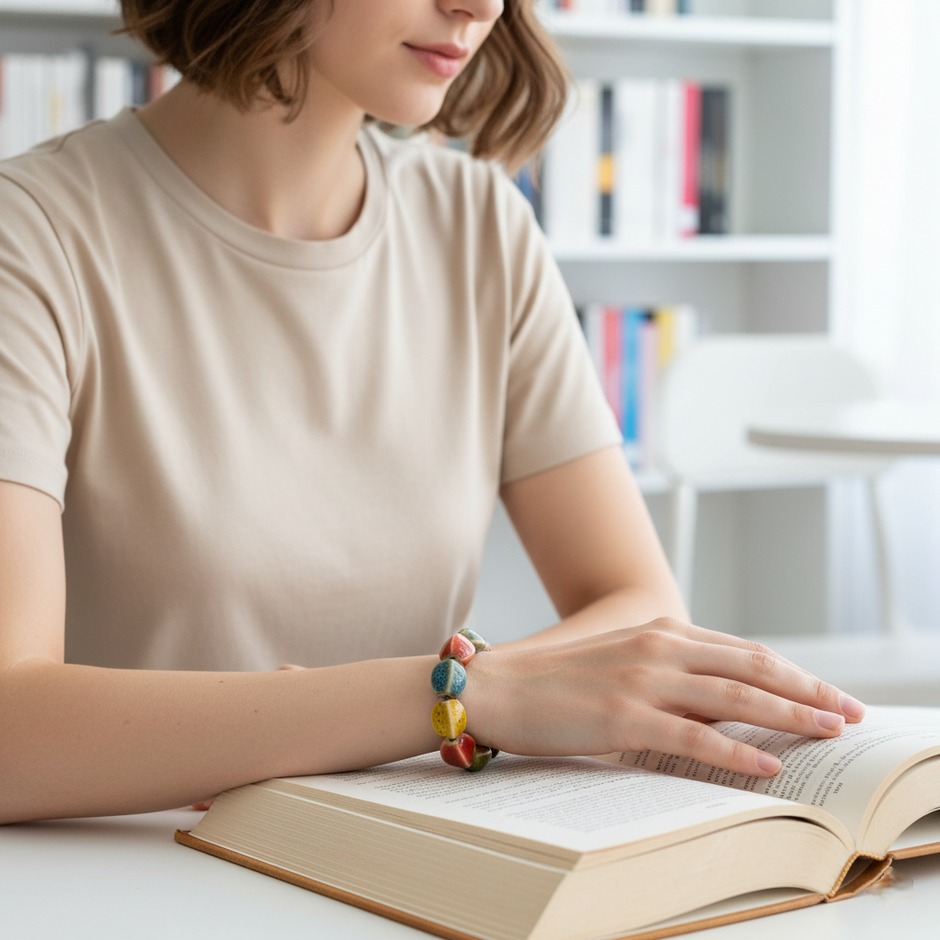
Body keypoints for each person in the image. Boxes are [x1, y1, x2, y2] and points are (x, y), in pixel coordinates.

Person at [0, 0, 865, 825]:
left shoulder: (481, 224)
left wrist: (460, 693)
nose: (478, 7)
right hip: (125, 875)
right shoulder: (33, 236)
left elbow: (635, 598)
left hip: (397, 858)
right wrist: (459, 697)